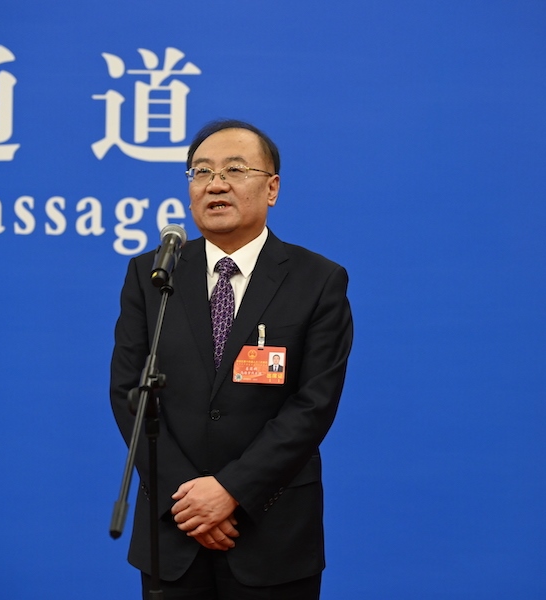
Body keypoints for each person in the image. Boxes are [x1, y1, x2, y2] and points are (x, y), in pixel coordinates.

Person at [110, 119, 354, 599]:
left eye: (234, 170)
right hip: (174, 529)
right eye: (201, 172)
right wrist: (188, 499)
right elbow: (129, 393)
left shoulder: (318, 280)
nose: (215, 184)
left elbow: (313, 404)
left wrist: (231, 492)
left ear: (272, 188)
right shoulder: (152, 274)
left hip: (271, 531)